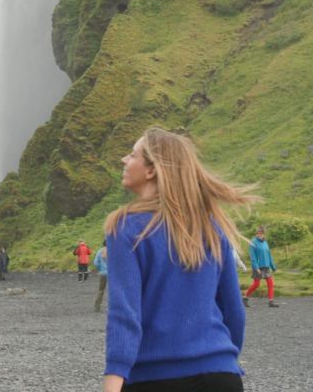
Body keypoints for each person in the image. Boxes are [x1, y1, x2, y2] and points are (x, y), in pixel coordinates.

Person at [103, 128, 258, 392]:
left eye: (132, 155)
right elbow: (234, 311)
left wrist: (112, 383)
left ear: (151, 170)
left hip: (156, 378)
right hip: (222, 377)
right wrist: (219, 358)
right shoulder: (210, 226)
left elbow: (124, 314)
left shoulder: (125, 227)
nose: (124, 161)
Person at [244, 226, 278, 308]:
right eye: (258, 233)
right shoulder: (253, 242)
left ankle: (271, 301)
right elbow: (253, 256)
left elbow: (269, 255)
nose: (259, 235)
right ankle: (245, 298)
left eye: (261, 233)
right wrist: (256, 267)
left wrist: (273, 267)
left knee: (270, 282)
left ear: (264, 234)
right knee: (256, 284)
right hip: (258, 267)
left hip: (266, 266)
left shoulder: (265, 243)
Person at [93, 240, 107, 312]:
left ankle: (97, 307)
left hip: (103, 273)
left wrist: (100, 269)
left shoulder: (99, 252)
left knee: (101, 290)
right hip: (112, 274)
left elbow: (95, 263)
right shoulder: (113, 252)